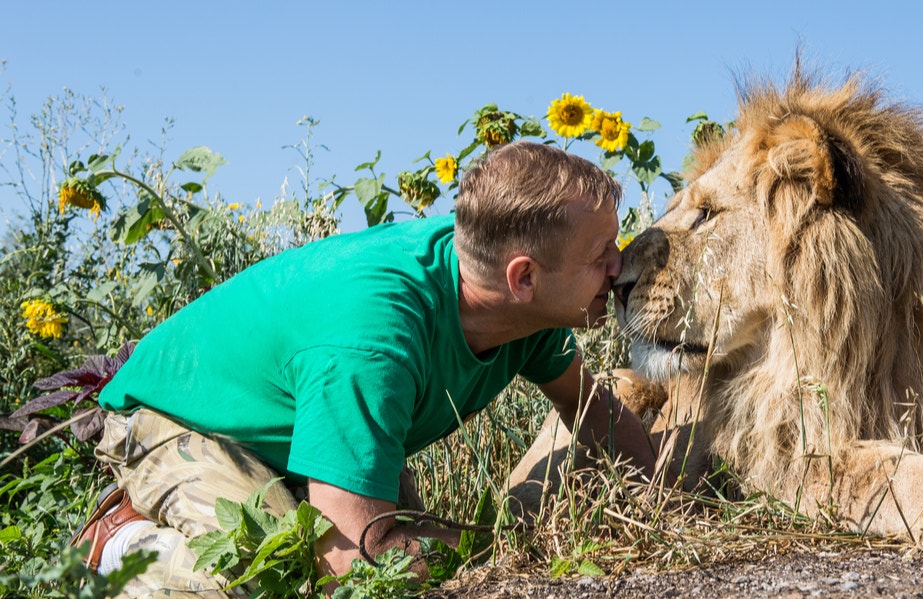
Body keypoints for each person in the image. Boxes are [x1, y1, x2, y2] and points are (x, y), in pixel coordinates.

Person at [70, 140, 657, 596]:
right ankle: (123, 548)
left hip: (294, 433)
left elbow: (591, 410)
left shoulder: (526, 314)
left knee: (422, 556)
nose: (619, 265)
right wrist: (455, 542)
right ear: (523, 278)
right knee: (288, 573)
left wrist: (672, 498)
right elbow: (352, 565)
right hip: (174, 420)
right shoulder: (375, 339)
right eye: (600, 253)